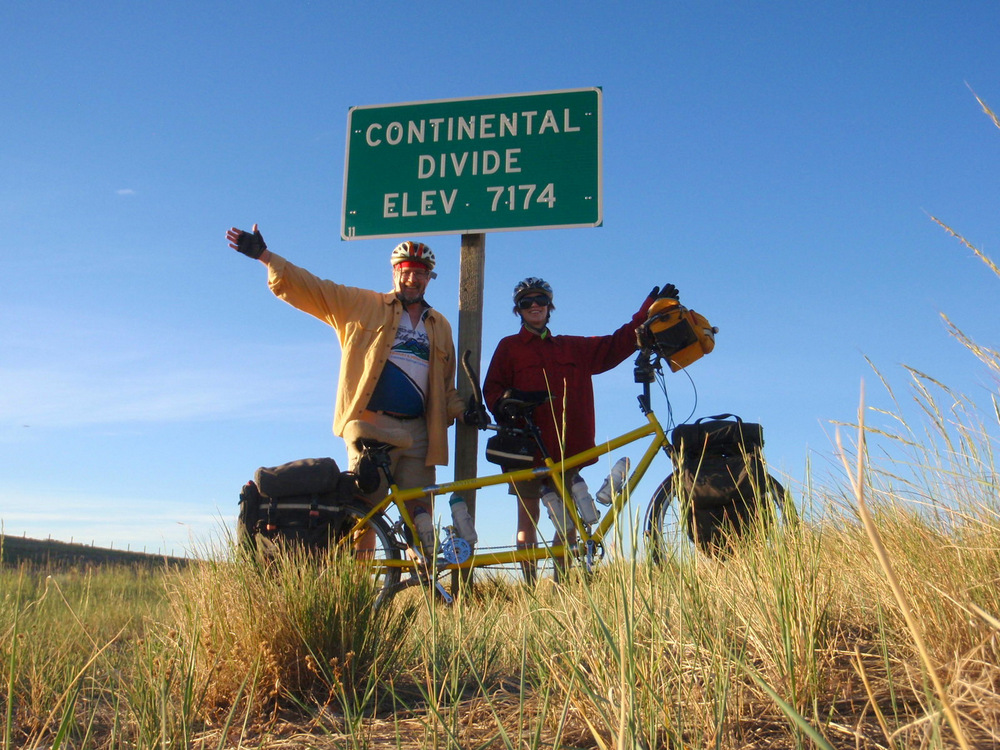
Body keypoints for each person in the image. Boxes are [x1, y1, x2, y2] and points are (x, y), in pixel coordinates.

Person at [226, 224, 482, 555]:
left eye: (421, 273)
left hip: (420, 433)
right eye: (406, 271)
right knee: (364, 516)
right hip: (372, 427)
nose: (413, 279)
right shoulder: (362, 305)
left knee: (421, 516)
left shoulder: (440, 326)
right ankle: (358, 589)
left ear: (430, 278)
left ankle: (428, 584)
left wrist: (464, 410)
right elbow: (314, 289)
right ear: (394, 273)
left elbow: (444, 388)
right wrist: (264, 256)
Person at [482, 277, 676, 582]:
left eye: (540, 300)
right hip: (527, 448)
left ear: (550, 306)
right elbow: (491, 389)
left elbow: (615, 344)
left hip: (567, 449)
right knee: (527, 519)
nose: (534, 306)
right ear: (517, 310)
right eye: (526, 302)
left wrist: (646, 314)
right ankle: (531, 587)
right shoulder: (509, 347)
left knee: (569, 524)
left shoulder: (572, 347)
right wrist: (506, 404)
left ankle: (563, 587)